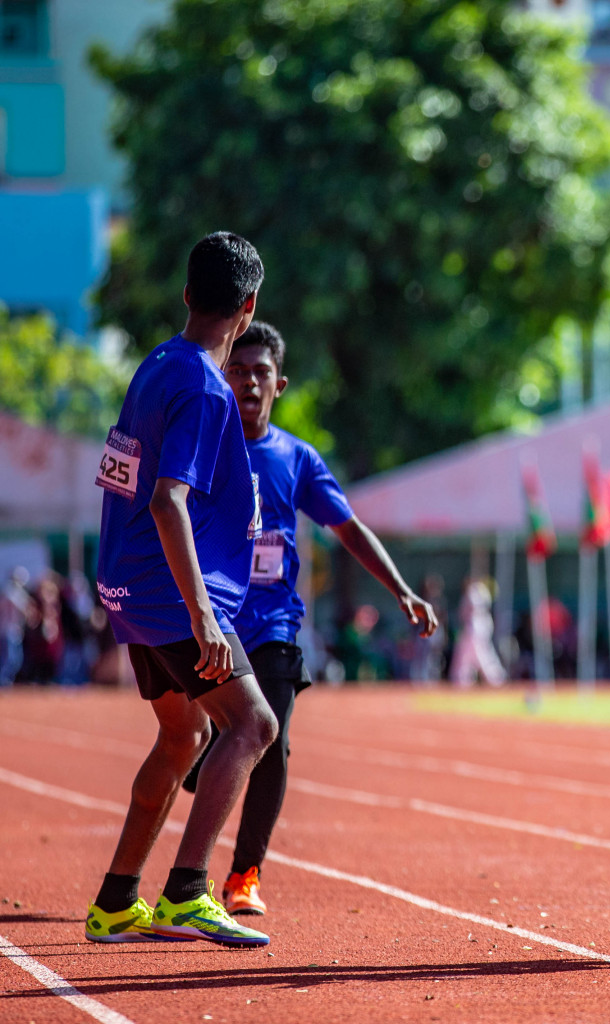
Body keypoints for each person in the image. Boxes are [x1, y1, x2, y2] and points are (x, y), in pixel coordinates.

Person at [178, 320, 438, 914]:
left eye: (260, 373)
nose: (247, 382)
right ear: (223, 376)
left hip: (273, 623)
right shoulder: (201, 448)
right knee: (197, 745)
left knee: (273, 738)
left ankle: (244, 875)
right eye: (236, 370)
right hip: (210, 622)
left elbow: (348, 527)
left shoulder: (296, 458)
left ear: (280, 384)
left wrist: (400, 590)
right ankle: (186, 826)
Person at [84, 232, 278, 948]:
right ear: (249, 305)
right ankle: (188, 892)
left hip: (126, 581)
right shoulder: (202, 384)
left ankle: (114, 900)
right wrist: (204, 615)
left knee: (184, 733)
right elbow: (167, 500)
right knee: (253, 725)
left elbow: (115, 472)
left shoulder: (157, 364)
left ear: (188, 294)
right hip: (168, 593)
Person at [450, 577, 505, 686]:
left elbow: (466, 612)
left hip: (475, 629)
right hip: (477, 628)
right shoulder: (480, 592)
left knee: (481, 656)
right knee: (466, 657)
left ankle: (495, 679)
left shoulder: (474, 593)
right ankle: (462, 680)